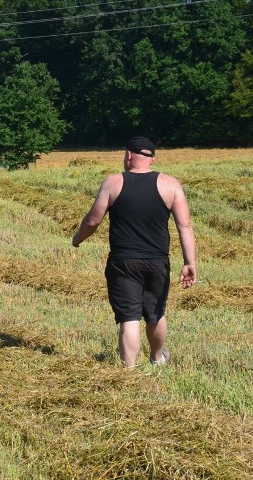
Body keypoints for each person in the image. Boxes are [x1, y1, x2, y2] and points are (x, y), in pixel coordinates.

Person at [72, 136, 197, 368]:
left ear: (128, 155)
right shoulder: (170, 184)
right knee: (155, 313)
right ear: (152, 159)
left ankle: (128, 373)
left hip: (123, 262)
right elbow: (184, 226)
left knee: (129, 317)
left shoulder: (113, 182)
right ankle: (157, 358)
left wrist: (77, 239)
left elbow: (92, 221)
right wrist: (190, 262)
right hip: (157, 261)